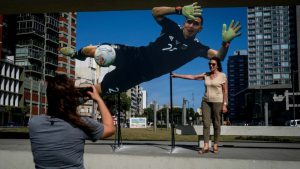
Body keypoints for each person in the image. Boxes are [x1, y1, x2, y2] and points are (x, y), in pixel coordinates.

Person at [60, 2, 241, 96]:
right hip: (135, 55)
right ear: (185, 21)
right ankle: (78, 54)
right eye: (189, 21)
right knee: (95, 50)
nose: (191, 25)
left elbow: (219, 57)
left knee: (98, 90)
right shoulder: (172, 28)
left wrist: (226, 43)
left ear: (200, 28)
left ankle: (74, 95)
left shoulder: (197, 48)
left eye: (196, 24)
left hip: (140, 75)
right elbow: (155, 11)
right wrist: (178, 9)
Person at [28, 74, 116, 169]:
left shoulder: (34, 124)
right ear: (71, 97)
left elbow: (59, 107)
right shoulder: (80, 123)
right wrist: (98, 99)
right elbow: (110, 129)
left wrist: (72, 99)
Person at [172, 56, 228, 154]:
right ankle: (206, 146)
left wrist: (225, 104)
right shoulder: (206, 75)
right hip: (206, 101)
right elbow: (192, 77)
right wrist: (177, 75)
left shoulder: (222, 76)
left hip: (218, 102)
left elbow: (225, 91)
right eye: (209, 64)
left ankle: (215, 144)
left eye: (213, 64)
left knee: (216, 124)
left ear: (217, 65)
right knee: (206, 124)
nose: (211, 65)